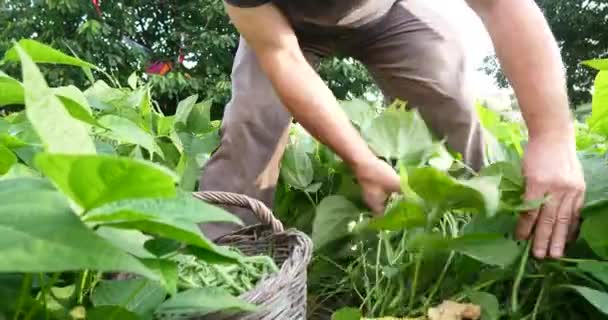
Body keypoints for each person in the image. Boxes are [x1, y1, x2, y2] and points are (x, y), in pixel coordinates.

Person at [198, 0, 586, 260]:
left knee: (447, 97)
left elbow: (501, 5)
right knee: (251, 123)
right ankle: (224, 267)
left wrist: (552, 135)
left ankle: (489, 236)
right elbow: (282, 57)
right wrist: (362, 161)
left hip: (386, 11)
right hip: (284, 27)